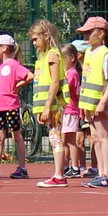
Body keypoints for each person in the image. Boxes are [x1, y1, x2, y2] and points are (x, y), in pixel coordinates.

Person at [76, 16, 108, 186]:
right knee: (95, 138)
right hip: (89, 104)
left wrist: (102, 103)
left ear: (101, 34)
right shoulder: (89, 53)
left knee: (104, 137)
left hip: (99, 103)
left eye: (89, 32)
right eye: (84, 32)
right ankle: (101, 173)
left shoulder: (105, 54)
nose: (85, 35)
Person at [0, 34, 31, 178]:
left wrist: (18, 85)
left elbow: (30, 76)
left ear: (4, 48)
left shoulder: (13, 64)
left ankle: (22, 168)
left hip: (11, 106)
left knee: (16, 136)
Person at [38, 43, 82, 187]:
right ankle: (63, 169)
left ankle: (69, 169)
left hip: (67, 108)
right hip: (65, 108)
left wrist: (47, 105)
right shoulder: (64, 70)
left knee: (64, 139)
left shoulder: (70, 72)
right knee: (62, 139)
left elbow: (60, 85)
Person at [28, 20, 64, 179]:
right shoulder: (42, 57)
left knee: (56, 137)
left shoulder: (52, 54)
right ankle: (58, 173)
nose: (34, 43)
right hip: (46, 105)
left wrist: (48, 106)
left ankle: (59, 174)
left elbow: (55, 82)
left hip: (54, 105)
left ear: (46, 36)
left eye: (36, 39)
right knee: (53, 137)